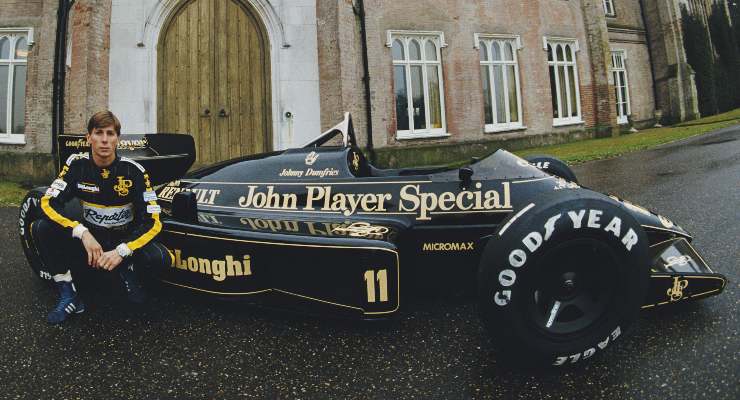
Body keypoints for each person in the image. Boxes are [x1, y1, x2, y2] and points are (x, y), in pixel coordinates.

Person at [32, 110, 170, 324]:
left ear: (117, 139)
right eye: (98, 133)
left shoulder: (135, 171)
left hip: (122, 241)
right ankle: (69, 294)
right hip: (91, 241)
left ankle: (126, 271)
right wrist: (81, 232)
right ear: (88, 137)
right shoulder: (76, 165)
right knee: (42, 227)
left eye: (110, 133)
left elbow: (153, 221)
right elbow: (47, 203)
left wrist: (123, 250)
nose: (104, 140)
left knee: (159, 257)